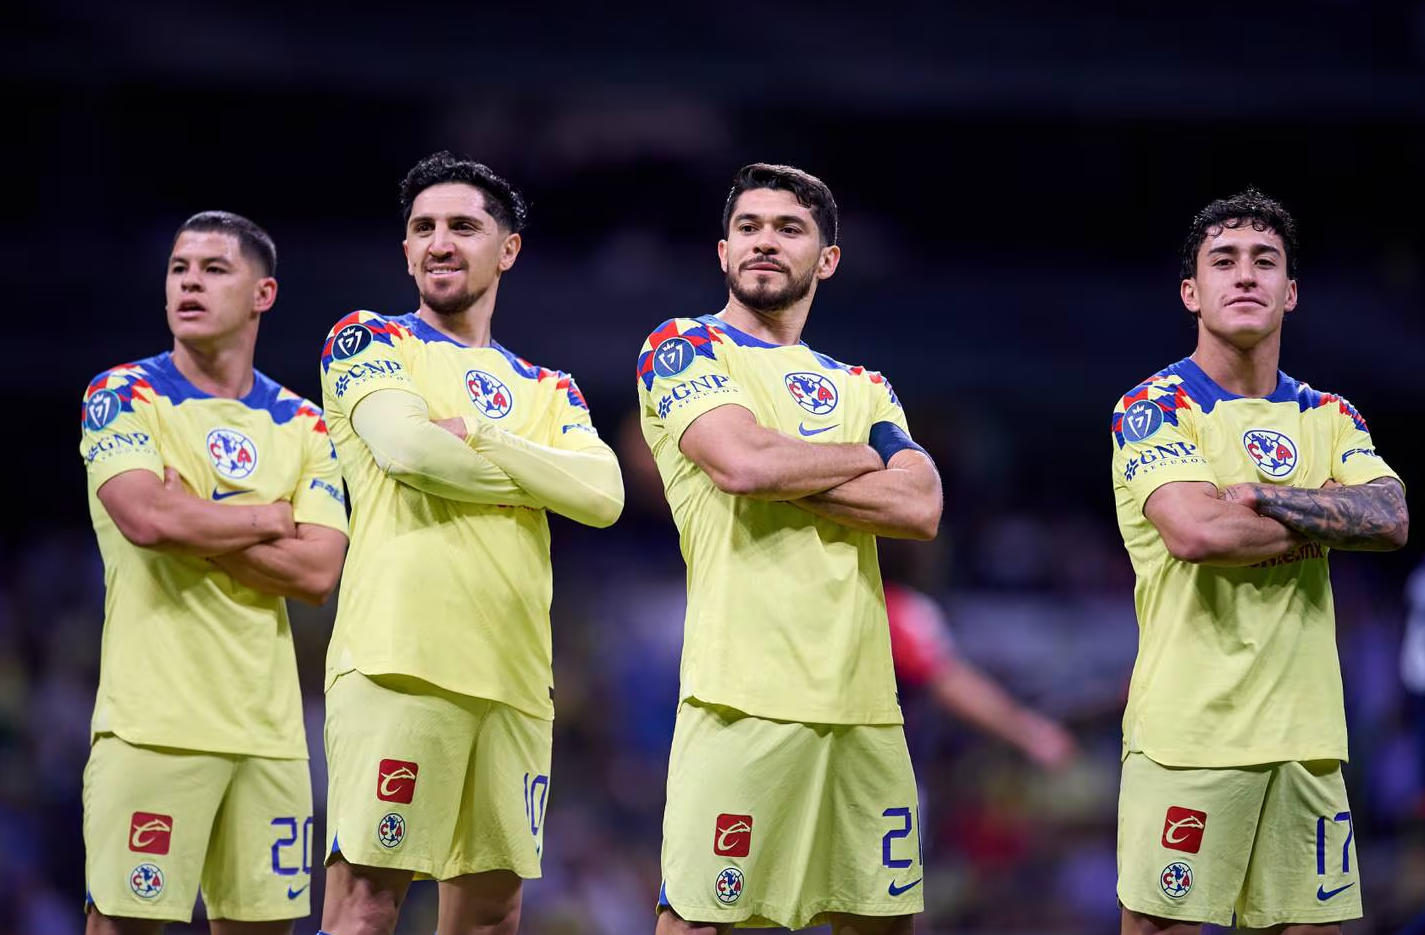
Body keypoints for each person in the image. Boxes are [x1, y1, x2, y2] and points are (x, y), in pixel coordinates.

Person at [316, 151, 624, 935]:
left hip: (515, 677)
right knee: (365, 905)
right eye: (423, 228)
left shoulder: (549, 386)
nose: (439, 242)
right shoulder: (367, 340)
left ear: (507, 249)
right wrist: (538, 475)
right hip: (400, 659)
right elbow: (409, 450)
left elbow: (602, 493)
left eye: (462, 225)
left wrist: (482, 433)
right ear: (406, 250)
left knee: (491, 915)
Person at [636, 163, 943, 935]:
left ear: (826, 259)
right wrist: (867, 457)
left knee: (880, 921)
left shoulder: (863, 384)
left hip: (863, 707)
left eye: (788, 228)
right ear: (722, 251)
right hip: (740, 697)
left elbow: (920, 505)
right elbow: (742, 464)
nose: (764, 241)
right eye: (748, 227)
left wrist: (784, 469)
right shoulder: (684, 347)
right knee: (700, 921)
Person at [1109, 189, 1409, 933]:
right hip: (1190, 736)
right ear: (1191, 291)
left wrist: (1263, 498)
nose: (1244, 274)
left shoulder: (1330, 414)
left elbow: (1392, 518)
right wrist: (1327, 512)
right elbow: (1198, 534)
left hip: (1308, 740)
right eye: (1223, 261)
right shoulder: (1154, 407)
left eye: (1264, 261)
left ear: (1290, 291)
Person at [78, 211, 350, 934]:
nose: (189, 283)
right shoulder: (123, 395)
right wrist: (267, 517)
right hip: (154, 728)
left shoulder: (304, 423)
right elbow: (147, 520)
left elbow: (317, 570)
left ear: (263, 294)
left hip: (271, 736)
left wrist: (194, 516)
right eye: (179, 269)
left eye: (213, 269)